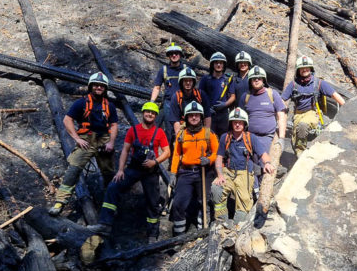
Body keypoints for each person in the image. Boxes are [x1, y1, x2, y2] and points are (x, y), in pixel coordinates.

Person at [90, 102, 170, 242]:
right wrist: (120, 170)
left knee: (153, 201)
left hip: (150, 171)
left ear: (156, 116)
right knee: (113, 187)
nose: (150, 114)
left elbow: (167, 152)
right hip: (134, 168)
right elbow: (125, 151)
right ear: (143, 113)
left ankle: (152, 235)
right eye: (147, 112)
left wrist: (155, 162)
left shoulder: (159, 132)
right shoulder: (133, 130)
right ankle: (105, 224)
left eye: (152, 113)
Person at [50, 72, 119, 216]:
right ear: (91, 86)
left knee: (109, 172)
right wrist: (77, 138)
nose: (99, 87)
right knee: (73, 169)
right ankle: (60, 201)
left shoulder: (110, 106)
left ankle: (110, 203)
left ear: (105, 88)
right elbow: (67, 120)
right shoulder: (81, 103)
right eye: (96, 85)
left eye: (101, 86)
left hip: (104, 139)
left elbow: (113, 125)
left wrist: (111, 142)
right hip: (86, 139)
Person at [211, 108, 274, 222]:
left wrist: (267, 163)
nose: (237, 124)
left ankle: (238, 225)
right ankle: (222, 222)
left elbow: (263, 154)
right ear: (231, 123)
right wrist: (220, 175)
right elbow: (219, 158)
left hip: (244, 173)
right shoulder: (225, 137)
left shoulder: (250, 138)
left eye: (240, 122)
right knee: (216, 189)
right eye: (235, 122)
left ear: (245, 123)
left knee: (244, 201)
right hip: (228, 172)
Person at [168, 101, 218, 236]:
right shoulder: (182, 134)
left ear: (201, 117)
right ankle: (178, 236)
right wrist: (173, 173)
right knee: (179, 202)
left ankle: (203, 232)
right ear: (186, 117)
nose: (194, 118)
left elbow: (217, 153)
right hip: (185, 172)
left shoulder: (209, 134)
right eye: (191, 115)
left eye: (197, 115)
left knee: (204, 201)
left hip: (204, 172)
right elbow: (176, 154)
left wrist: (209, 160)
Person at [281, 55, 345, 156]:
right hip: (297, 114)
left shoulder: (319, 83)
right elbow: (282, 100)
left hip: (313, 113)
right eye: (302, 68)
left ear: (311, 68)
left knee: (302, 125)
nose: (304, 70)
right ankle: (298, 148)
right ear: (298, 70)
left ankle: (300, 152)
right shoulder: (294, 85)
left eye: (307, 67)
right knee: (298, 128)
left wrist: (346, 108)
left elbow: (335, 95)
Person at [237, 66, 287, 154]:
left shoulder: (272, 94)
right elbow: (239, 119)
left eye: (259, 78)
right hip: (249, 136)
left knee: (264, 163)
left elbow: (281, 116)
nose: (256, 80)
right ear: (250, 81)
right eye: (254, 79)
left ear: (264, 80)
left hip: (268, 137)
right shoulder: (245, 97)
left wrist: (282, 138)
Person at [150, 43, 187, 145]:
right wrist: (152, 102)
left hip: (183, 104)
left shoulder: (186, 69)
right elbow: (157, 87)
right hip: (168, 104)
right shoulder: (164, 70)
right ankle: (170, 156)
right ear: (168, 56)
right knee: (169, 131)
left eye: (176, 53)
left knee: (185, 129)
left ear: (180, 55)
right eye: (171, 54)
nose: (174, 55)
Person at [169, 67, 212, 136]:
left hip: (199, 126)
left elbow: (207, 115)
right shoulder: (176, 97)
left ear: (193, 82)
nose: (188, 83)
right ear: (181, 82)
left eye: (190, 81)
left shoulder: (201, 95)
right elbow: (175, 119)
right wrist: (178, 136)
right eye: (185, 81)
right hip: (183, 127)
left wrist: (207, 133)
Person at [199, 52, 231, 136]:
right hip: (210, 115)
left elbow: (233, 96)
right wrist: (206, 108)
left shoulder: (228, 80)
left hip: (224, 115)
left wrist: (225, 104)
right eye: (216, 62)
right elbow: (199, 95)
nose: (219, 65)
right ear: (212, 64)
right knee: (210, 137)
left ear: (224, 65)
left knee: (224, 138)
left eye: (221, 63)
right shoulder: (206, 79)